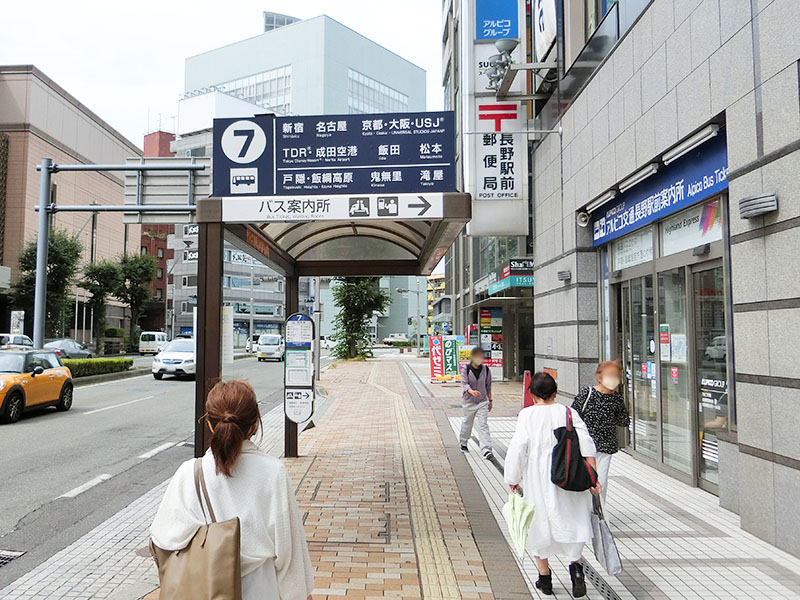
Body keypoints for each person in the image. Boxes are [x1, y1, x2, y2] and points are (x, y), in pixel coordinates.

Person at [150, 380, 314, 600]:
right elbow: (289, 554)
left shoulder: (189, 472)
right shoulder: (273, 472)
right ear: (255, 424)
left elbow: (164, 539)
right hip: (261, 589)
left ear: (209, 424)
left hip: (203, 588)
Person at [505, 372, 601, 598]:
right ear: (555, 392)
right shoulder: (568, 412)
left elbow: (519, 447)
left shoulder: (527, 415)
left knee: (538, 524)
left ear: (531, 393)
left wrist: (513, 478)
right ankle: (576, 571)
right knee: (572, 520)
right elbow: (587, 444)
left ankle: (544, 578)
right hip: (569, 477)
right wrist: (593, 478)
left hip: (539, 477)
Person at [572, 361, 629, 503]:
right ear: (599, 377)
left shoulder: (617, 398)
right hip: (584, 446)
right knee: (585, 480)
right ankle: (584, 512)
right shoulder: (587, 393)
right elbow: (573, 415)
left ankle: (599, 513)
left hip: (605, 447)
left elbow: (623, 421)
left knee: (601, 481)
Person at [459, 346, 494, 459]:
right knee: (467, 422)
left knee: (483, 424)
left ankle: (486, 449)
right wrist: (471, 392)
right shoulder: (466, 369)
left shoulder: (486, 370)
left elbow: (488, 386)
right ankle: (463, 442)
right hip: (469, 401)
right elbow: (464, 383)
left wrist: (490, 400)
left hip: (482, 401)